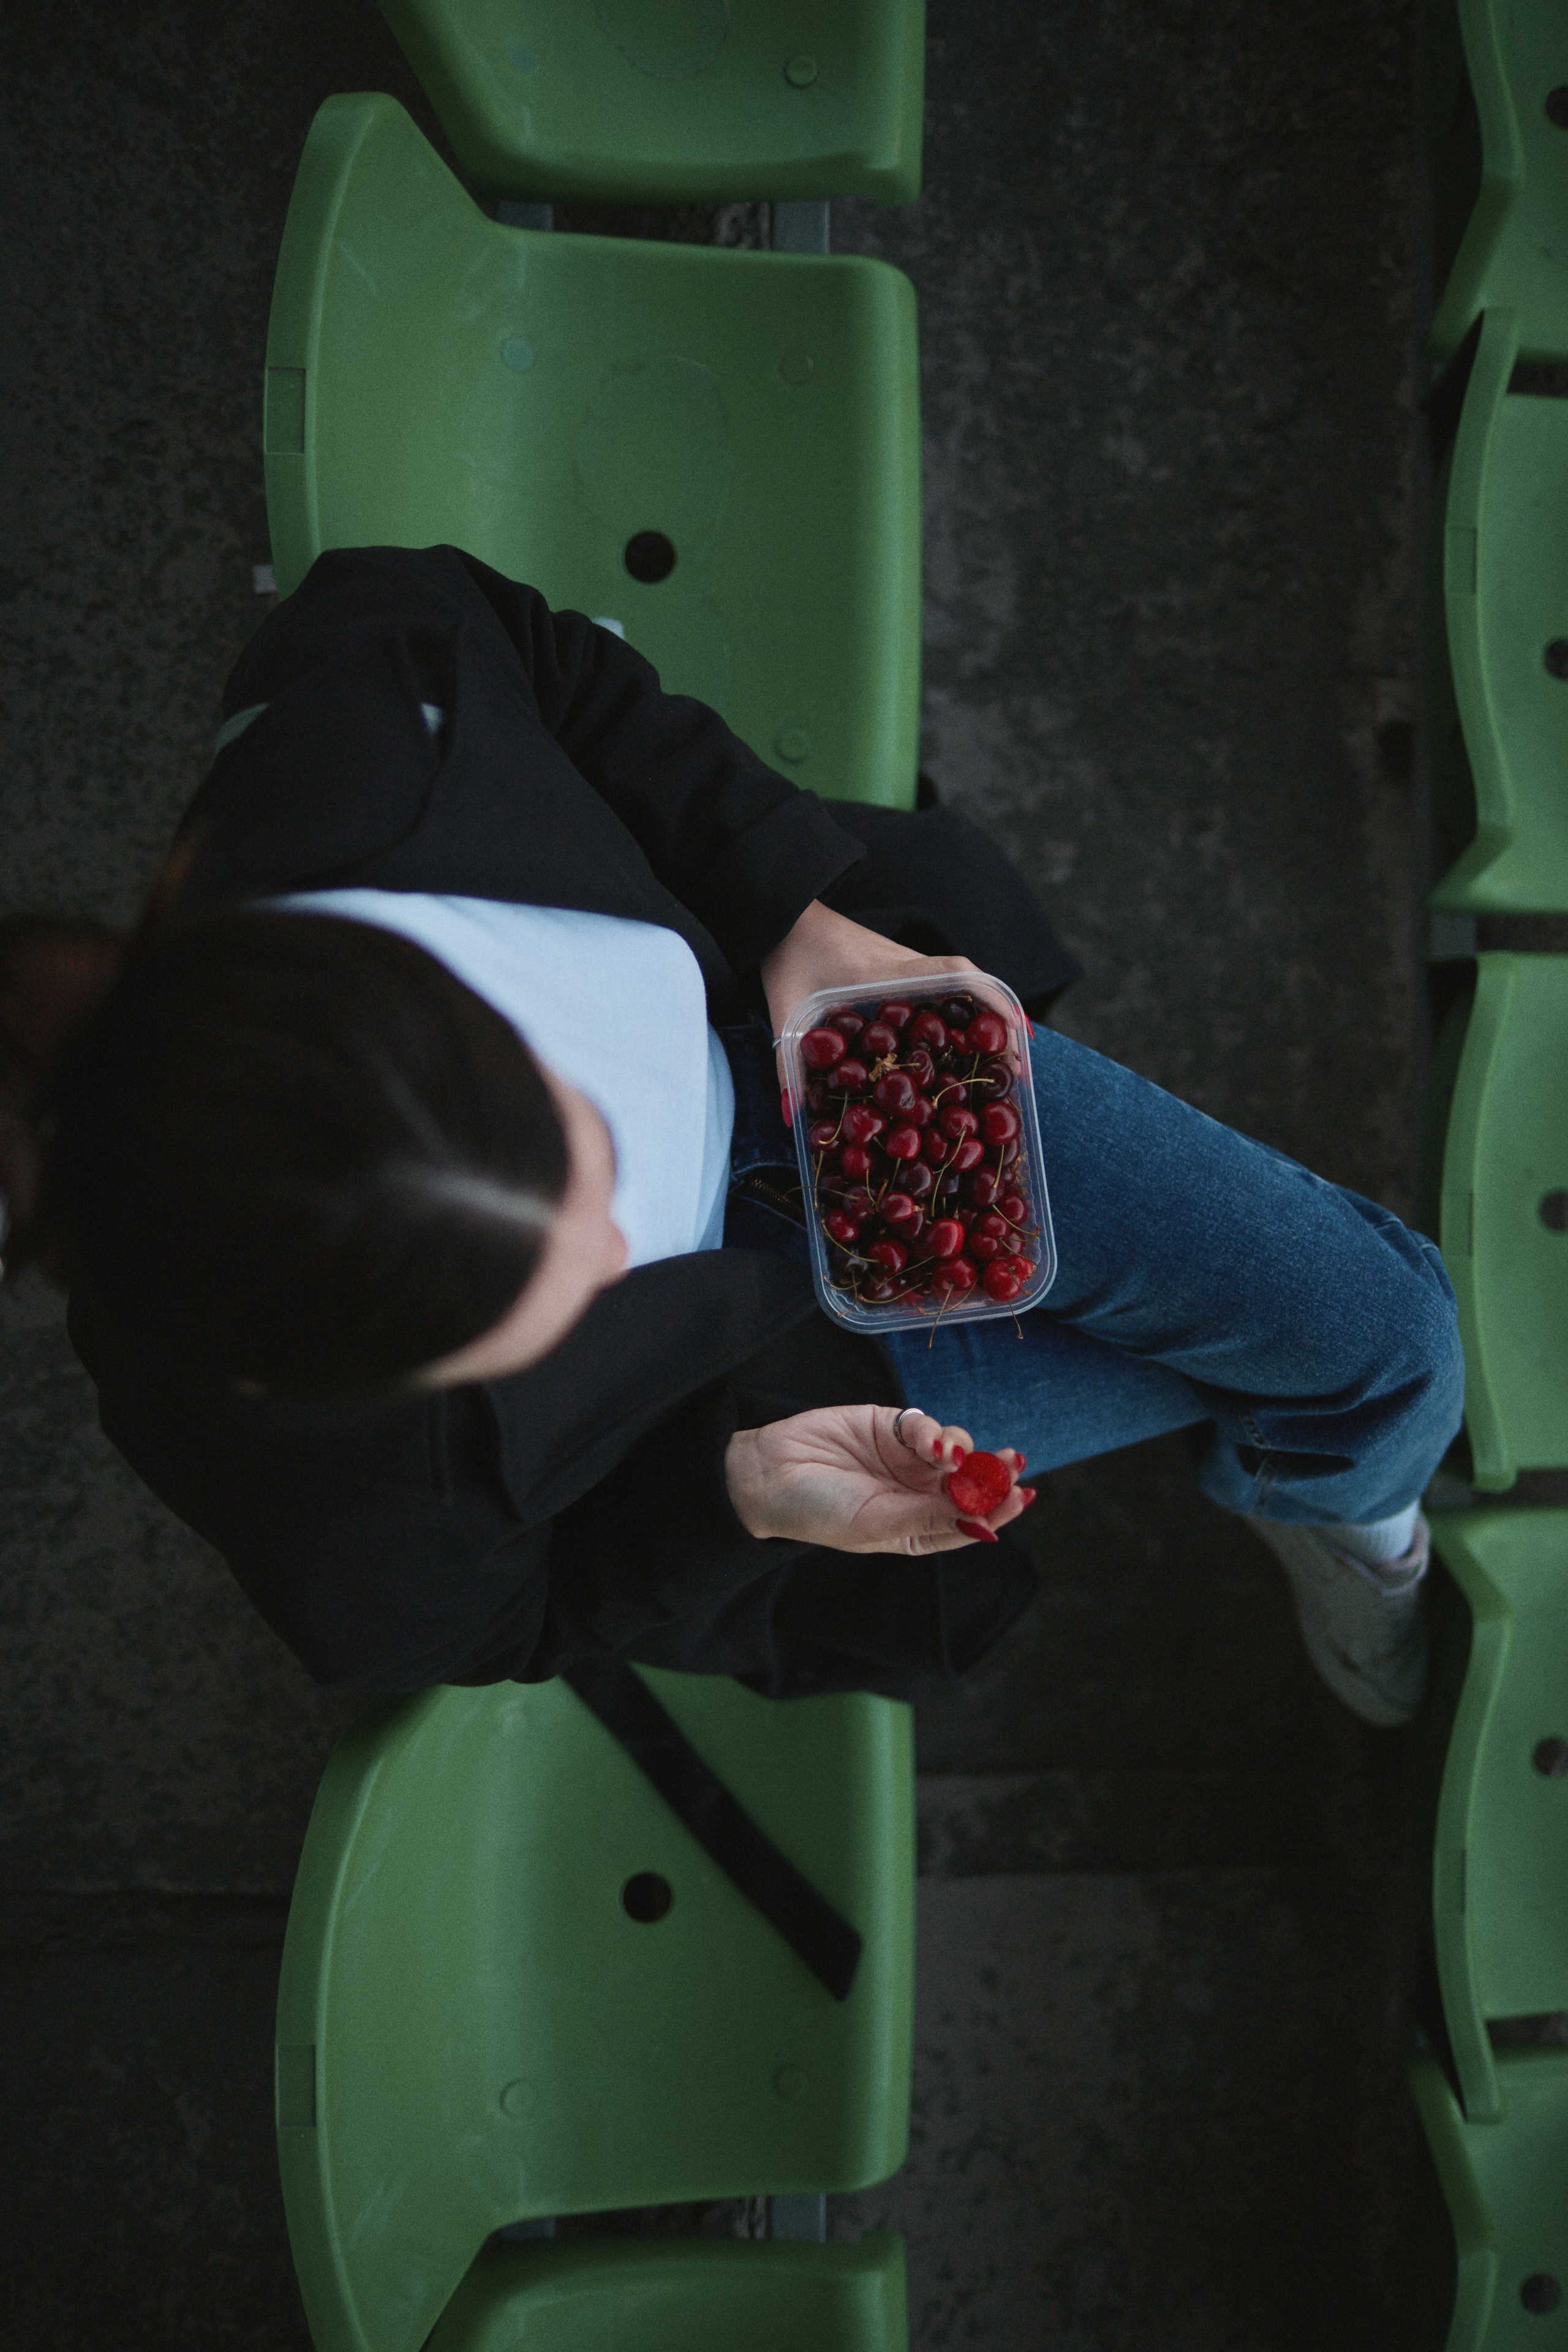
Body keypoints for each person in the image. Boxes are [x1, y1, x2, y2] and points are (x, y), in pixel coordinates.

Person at [0, 546, 1463, 1725]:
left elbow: (531, 647)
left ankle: (1322, 1473)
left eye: (569, 1125)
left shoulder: (369, 730)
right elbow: (509, 1617)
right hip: (773, 1381)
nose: (614, 1236)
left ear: (413, 969)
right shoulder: (311, 1491)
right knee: (1332, 1359)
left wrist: (794, 910)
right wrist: (736, 1494)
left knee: (1385, 1331)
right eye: (559, 1313)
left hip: (814, 1061)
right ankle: (1325, 1477)